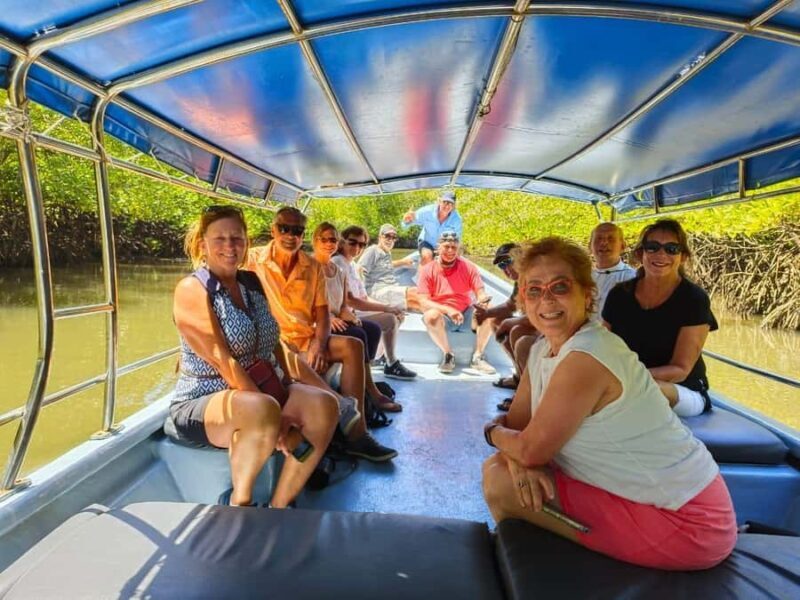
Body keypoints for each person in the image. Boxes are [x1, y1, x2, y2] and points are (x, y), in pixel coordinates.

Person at [481, 236, 736, 571]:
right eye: (534, 289)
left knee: (501, 484)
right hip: (660, 502)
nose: (546, 299)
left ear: (587, 295)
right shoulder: (544, 348)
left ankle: (543, 572)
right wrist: (519, 460)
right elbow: (518, 431)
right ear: (523, 300)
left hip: (690, 522)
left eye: (560, 287)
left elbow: (525, 446)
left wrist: (491, 432)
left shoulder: (589, 354)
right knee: (504, 471)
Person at [170, 205, 339, 507]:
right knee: (262, 410)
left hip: (261, 390)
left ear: (247, 242)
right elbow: (224, 361)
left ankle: (279, 504)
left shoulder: (251, 282)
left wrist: (289, 387)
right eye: (220, 238)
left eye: (237, 237)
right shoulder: (192, 289)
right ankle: (241, 503)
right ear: (202, 244)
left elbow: (273, 344)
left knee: (324, 405)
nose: (230, 246)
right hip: (204, 400)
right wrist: (278, 421)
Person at [246, 206, 398, 462]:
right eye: (284, 228)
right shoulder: (252, 260)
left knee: (353, 345)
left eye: (297, 230)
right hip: (277, 344)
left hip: (306, 340)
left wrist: (319, 343)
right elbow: (213, 274)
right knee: (287, 351)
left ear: (303, 235)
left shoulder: (312, 267)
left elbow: (322, 314)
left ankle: (356, 435)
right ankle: (344, 409)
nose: (290, 235)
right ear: (273, 230)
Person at [602, 219, 717, 418]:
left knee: (647, 389)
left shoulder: (693, 299)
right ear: (641, 254)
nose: (661, 254)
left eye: (672, 248)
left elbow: (680, 369)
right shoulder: (619, 294)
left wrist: (628, 377)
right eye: (652, 247)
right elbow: (603, 346)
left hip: (681, 389)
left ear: (683, 257)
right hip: (625, 381)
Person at [312, 222, 402, 412]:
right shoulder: (311, 268)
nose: (357, 248)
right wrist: (329, 318)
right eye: (325, 239)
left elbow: (345, 304)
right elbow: (309, 304)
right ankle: (370, 389)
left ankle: (365, 382)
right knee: (360, 334)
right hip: (321, 322)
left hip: (337, 317)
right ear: (314, 240)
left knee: (371, 328)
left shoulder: (340, 270)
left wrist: (349, 316)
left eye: (333, 240)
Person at [333, 224, 417, 380]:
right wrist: (387, 308)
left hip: (356, 310)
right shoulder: (338, 263)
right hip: (346, 314)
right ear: (342, 242)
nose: (357, 248)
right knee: (390, 318)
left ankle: (382, 358)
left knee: (397, 314)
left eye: (362, 244)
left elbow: (364, 297)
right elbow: (351, 300)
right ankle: (391, 363)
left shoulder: (351, 263)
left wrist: (390, 308)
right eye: (353, 242)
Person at [417, 231, 495, 374]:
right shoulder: (427, 270)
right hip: (443, 317)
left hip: (466, 314)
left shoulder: (468, 267)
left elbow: (480, 291)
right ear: (438, 248)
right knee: (430, 316)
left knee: (489, 310)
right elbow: (423, 302)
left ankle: (478, 357)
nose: (450, 251)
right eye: (446, 247)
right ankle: (448, 355)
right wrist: (448, 310)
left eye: (454, 247)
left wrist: (482, 299)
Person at [474, 243, 539, 411]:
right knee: (497, 320)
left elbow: (542, 316)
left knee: (518, 332)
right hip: (539, 327)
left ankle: (528, 394)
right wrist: (486, 314)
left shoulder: (535, 277)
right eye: (501, 265)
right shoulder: (520, 282)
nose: (505, 268)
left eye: (507, 262)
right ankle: (519, 377)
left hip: (551, 331)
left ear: (520, 258)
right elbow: (510, 306)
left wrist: (512, 322)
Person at [356, 223, 421, 312]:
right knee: (415, 292)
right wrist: (362, 297)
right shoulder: (373, 250)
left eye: (393, 237)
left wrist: (402, 262)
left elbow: (387, 265)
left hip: (390, 288)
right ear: (380, 237)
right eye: (387, 236)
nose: (390, 240)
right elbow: (359, 270)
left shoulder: (387, 253)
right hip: (377, 292)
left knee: (418, 297)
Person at [402, 189, 463, 266]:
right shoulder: (426, 211)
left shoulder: (457, 219)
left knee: (452, 262)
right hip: (426, 242)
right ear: (439, 201)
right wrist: (407, 220)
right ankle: (423, 277)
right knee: (427, 256)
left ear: (454, 206)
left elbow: (457, 239)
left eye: (450, 203)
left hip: (445, 245)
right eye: (445, 202)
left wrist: (455, 253)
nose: (447, 206)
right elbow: (405, 225)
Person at [588, 222, 636, 315]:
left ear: (623, 246)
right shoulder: (582, 278)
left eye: (610, 238)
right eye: (599, 238)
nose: (604, 243)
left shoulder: (632, 279)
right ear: (590, 246)